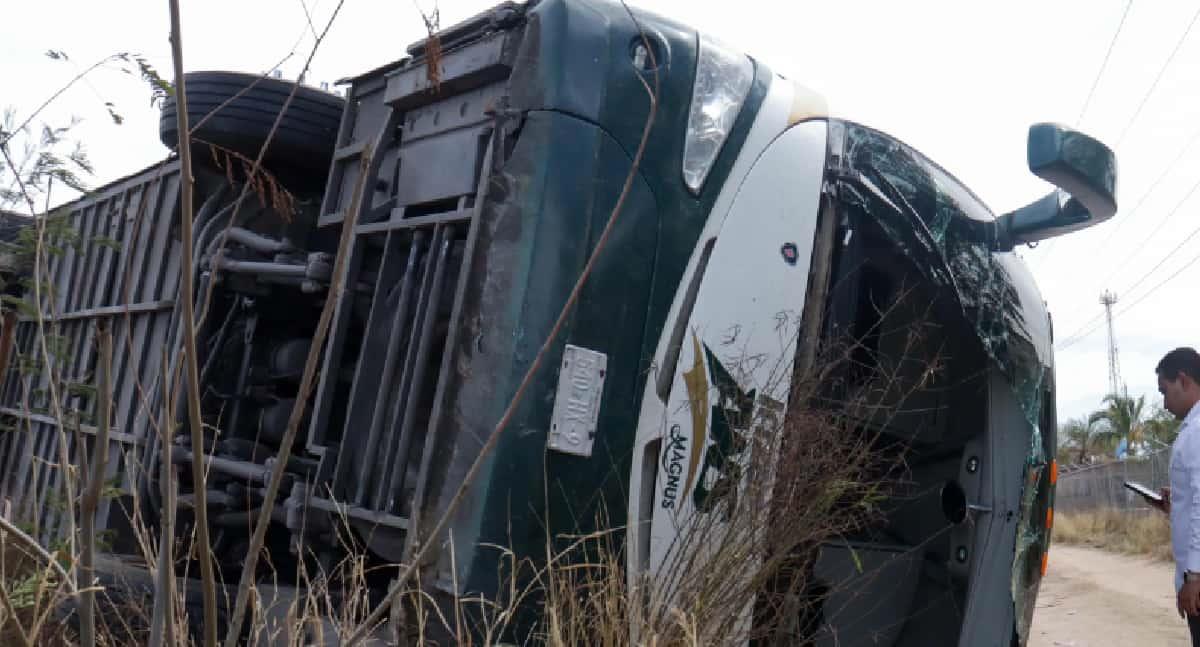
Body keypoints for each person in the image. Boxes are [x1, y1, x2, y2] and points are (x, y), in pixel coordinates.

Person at [1155, 347, 1200, 645]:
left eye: (1165, 390)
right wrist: (1178, 502)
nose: (1164, 402)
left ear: (1183, 380)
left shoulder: (1197, 431)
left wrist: (1194, 577)